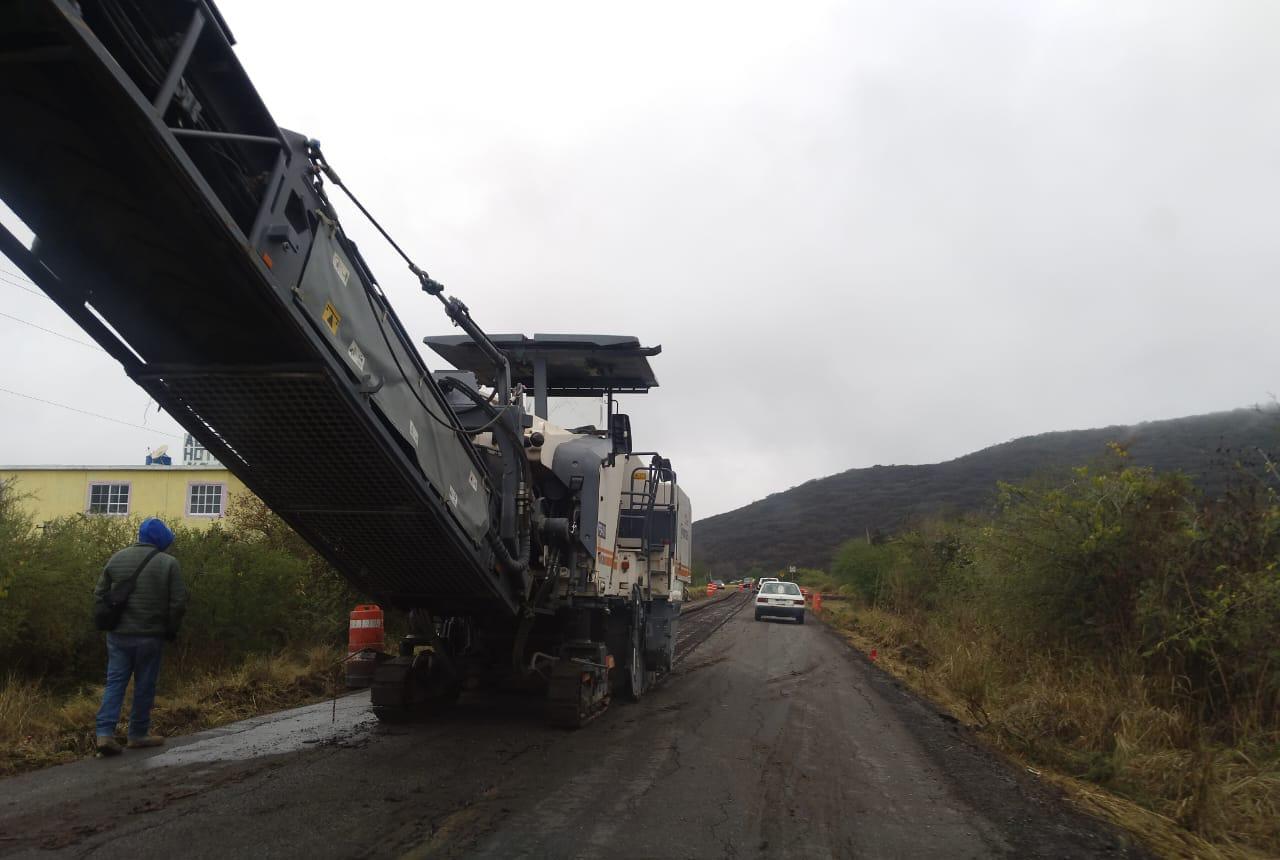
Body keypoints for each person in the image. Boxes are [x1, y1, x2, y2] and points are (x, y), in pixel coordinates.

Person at [93, 517, 188, 755]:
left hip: (118, 635)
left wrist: (112, 617)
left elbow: (99, 594)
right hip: (150, 635)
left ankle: (104, 735)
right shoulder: (169, 563)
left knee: (115, 682)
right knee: (145, 683)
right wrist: (171, 628)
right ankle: (137, 734)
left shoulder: (117, 557)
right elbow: (178, 602)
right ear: (162, 538)